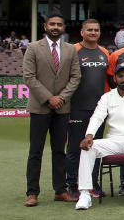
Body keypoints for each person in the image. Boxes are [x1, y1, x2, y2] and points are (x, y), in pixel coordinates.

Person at [23, 13, 82, 207]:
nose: (55, 27)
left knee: (59, 151)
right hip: (40, 107)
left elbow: (75, 77)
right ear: (45, 26)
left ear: (64, 27)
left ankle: (60, 191)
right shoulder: (32, 48)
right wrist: (49, 98)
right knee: (36, 151)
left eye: (59, 24)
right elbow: (29, 77)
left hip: (62, 107)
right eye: (52, 24)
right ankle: (32, 193)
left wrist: (61, 98)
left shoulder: (70, 49)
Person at [73, 64, 124, 210]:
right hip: (112, 139)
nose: (123, 79)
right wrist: (88, 136)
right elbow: (97, 117)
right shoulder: (107, 96)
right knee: (88, 148)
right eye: (120, 76)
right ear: (114, 78)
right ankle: (84, 194)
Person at [65, 19, 110, 198]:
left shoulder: (104, 53)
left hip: (98, 110)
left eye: (96, 30)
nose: (93, 33)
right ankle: (73, 184)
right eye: (89, 30)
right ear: (82, 32)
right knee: (75, 148)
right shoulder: (73, 51)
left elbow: (108, 81)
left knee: (95, 147)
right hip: (76, 108)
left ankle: (92, 183)